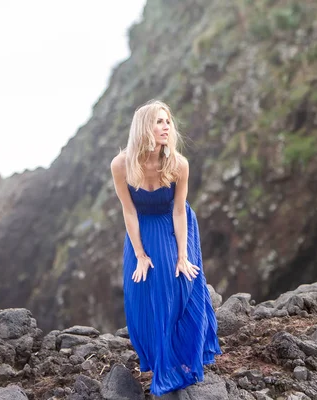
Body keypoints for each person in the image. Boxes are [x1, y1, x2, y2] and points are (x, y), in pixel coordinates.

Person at [110, 99, 222, 396]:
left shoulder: (178, 163)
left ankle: (179, 361)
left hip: (175, 225)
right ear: (144, 126)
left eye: (168, 122)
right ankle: (157, 358)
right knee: (142, 293)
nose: (166, 127)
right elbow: (129, 211)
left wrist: (183, 255)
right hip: (141, 228)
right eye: (159, 121)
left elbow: (179, 211)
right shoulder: (121, 164)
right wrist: (140, 254)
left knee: (178, 283)